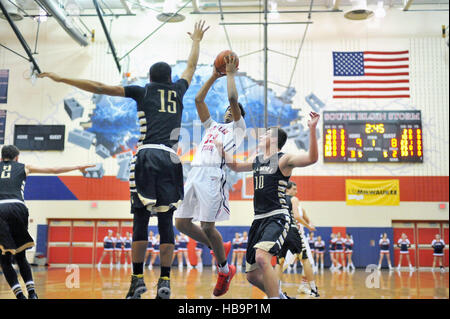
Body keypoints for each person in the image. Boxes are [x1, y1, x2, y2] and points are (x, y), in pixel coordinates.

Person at [38, 21, 210, 299]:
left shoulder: (142, 91)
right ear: (169, 79)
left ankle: (137, 280)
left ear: (151, 80)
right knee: (166, 223)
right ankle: (165, 282)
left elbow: (98, 86)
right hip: (171, 159)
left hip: (147, 155)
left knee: (140, 221)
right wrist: (197, 42)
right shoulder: (179, 90)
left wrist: (62, 79)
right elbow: (190, 67)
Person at [216, 111, 320, 299]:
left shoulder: (284, 159)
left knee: (262, 258)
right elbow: (237, 166)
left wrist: (312, 129)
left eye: (265, 134)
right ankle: (280, 296)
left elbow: (312, 159)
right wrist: (220, 148)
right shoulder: (257, 159)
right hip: (258, 219)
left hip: (277, 216)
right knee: (252, 275)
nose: (261, 136)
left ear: (273, 139)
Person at [174, 55, 246, 297]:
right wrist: (215, 75)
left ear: (237, 115)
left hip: (213, 176)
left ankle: (224, 270)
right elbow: (198, 99)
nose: (228, 111)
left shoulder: (238, 129)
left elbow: (233, 98)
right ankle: (216, 247)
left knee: (207, 225)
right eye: (226, 110)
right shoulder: (213, 126)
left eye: (232, 111)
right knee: (181, 223)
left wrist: (230, 73)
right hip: (194, 173)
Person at [0, 145, 92, 299]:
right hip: (18, 207)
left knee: (4, 259)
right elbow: (54, 170)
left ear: (2, 158)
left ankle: (20, 296)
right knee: (21, 256)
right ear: (17, 157)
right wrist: (77, 166)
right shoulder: (24, 166)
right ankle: (32, 293)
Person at [281, 181, 319, 297]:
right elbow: (296, 217)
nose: (296, 191)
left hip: (300, 236)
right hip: (293, 235)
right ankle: (272, 285)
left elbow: (306, 218)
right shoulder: (288, 201)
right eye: (294, 189)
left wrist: (310, 224)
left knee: (308, 263)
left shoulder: (299, 206)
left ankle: (303, 285)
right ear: (287, 189)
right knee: (284, 264)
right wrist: (308, 226)